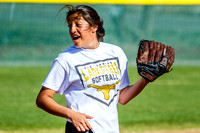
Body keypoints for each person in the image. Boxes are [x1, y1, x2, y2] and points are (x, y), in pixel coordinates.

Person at [36, 5, 149, 133]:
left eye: (78, 24)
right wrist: (71, 114)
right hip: (82, 130)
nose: (72, 30)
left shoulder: (115, 53)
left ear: (94, 27)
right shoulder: (66, 59)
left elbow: (122, 97)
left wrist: (145, 80)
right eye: (70, 25)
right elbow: (42, 98)